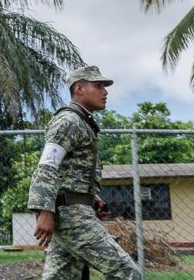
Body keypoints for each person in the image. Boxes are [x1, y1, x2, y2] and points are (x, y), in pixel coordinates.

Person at [27, 66, 141, 280]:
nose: (105, 92)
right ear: (79, 88)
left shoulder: (82, 122)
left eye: (104, 87)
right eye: (99, 86)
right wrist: (44, 210)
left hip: (73, 210)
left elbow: (68, 171)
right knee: (128, 273)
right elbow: (48, 166)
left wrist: (91, 198)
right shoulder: (69, 121)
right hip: (72, 216)